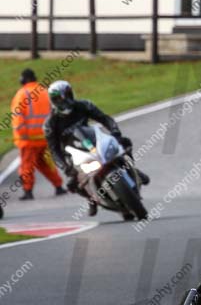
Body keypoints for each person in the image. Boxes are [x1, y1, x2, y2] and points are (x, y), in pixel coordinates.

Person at [44, 80, 149, 216]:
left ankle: (134, 169)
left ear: (71, 94)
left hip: (92, 140)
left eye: (67, 95)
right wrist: (65, 167)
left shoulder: (84, 105)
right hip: (73, 152)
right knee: (73, 183)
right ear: (53, 100)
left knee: (124, 143)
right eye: (58, 98)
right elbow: (53, 150)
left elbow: (105, 119)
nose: (64, 101)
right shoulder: (50, 124)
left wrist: (115, 133)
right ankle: (91, 199)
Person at [11, 69, 65, 201]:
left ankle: (28, 191)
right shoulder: (44, 91)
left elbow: (17, 116)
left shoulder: (22, 94)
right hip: (45, 137)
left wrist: (21, 134)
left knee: (27, 166)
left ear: (23, 79)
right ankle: (59, 186)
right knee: (45, 163)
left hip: (29, 139)